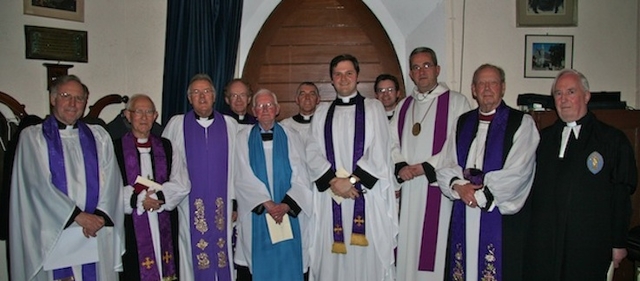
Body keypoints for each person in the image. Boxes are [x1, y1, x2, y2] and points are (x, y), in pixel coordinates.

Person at [524, 69, 637, 280]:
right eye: (558, 93)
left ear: (586, 96)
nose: (564, 99)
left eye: (571, 92)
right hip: (546, 245)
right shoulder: (543, 140)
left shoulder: (611, 140)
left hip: (589, 246)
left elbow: (621, 197)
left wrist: (618, 243)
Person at [9, 75, 124, 281]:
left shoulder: (100, 137)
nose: (73, 104)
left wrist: (97, 217)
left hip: (95, 233)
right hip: (52, 233)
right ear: (53, 99)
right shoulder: (33, 138)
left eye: (79, 98)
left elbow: (113, 182)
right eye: (65, 96)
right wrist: (78, 216)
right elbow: (36, 187)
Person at [435, 64, 539, 280]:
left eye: (493, 83)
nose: (487, 88)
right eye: (481, 83)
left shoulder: (521, 123)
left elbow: (519, 172)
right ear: (473, 89)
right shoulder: (462, 122)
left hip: (497, 213)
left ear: (503, 87)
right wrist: (458, 187)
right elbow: (446, 164)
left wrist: (481, 195)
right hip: (464, 207)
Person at [306, 54, 397, 281]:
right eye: (338, 74)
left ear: (357, 77)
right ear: (331, 79)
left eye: (348, 73)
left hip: (366, 196)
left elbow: (380, 150)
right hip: (331, 197)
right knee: (331, 260)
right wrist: (334, 181)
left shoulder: (373, 108)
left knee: (368, 258)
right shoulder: (321, 112)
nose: (343, 78)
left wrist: (352, 181)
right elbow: (311, 151)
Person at [390, 47, 471, 281]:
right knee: (407, 251)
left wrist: (423, 167)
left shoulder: (456, 102)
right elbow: (391, 142)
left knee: (433, 254)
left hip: (438, 189)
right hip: (408, 189)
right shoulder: (404, 106)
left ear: (437, 69)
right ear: (410, 74)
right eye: (415, 67)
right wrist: (402, 166)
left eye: (426, 65)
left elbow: (458, 144)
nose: (421, 71)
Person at [162, 73, 238, 281]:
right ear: (189, 98)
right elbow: (164, 163)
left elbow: (239, 166)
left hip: (223, 204)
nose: (202, 97)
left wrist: (236, 202)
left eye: (206, 92)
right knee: (191, 253)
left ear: (214, 96)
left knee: (223, 252)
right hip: (189, 206)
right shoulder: (177, 125)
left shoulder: (230, 126)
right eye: (196, 92)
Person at [234, 89, 313, 281]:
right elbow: (242, 175)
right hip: (258, 212)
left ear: (277, 109)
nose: (265, 109)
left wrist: (286, 205)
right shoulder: (242, 137)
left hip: (288, 211)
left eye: (269, 105)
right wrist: (267, 204)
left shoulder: (291, 135)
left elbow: (302, 173)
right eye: (260, 106)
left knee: (289, 263)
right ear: (254, 111)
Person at [113, 94, 179, 280]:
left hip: (162, 216)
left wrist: (160, 198)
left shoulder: (167, 146)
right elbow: (109, 187)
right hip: (131, 223)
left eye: (148, 112)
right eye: (138, 112)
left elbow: (181, 181)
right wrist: (137, 199)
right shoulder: (114, 148)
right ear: (127, 115)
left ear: (155, 116)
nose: (143, 117)